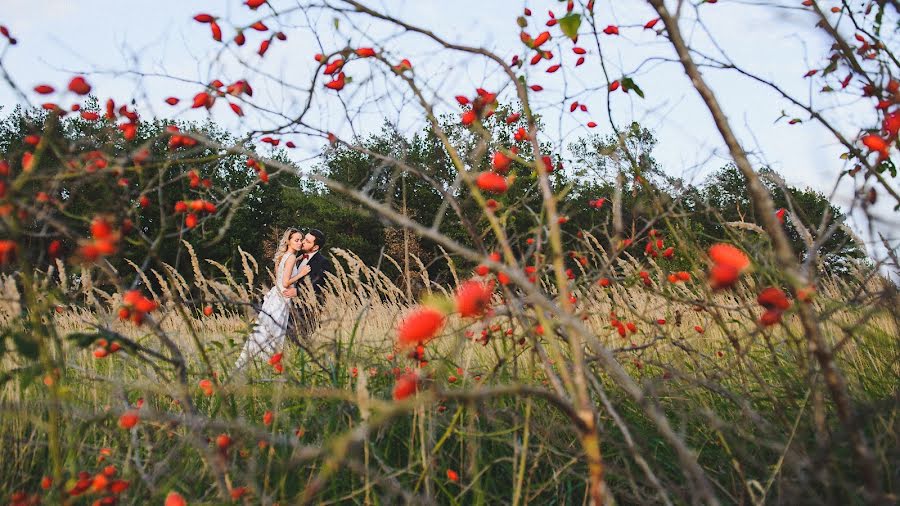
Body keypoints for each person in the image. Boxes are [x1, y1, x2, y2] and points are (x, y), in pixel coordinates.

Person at [233, 228, 310, 371]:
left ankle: (253, 361)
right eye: (296, 240)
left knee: (264, 329)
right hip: (282, 299)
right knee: (274, 331)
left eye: (301, 240)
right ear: (288, 241)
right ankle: (264, 361)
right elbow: (286, 282)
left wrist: (298, 259)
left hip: (275, 296)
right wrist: (302, 273)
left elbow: (279, 277)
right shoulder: (291, 258)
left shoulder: (283, 256)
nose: (300, 243)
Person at [283, 229, 331, 342]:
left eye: (308, 241)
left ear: (315, 247)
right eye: (304, 239)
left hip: (307, 309)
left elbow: (319, 284)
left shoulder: (322, 262)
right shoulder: (297, 257)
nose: (303, 242)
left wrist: (297, 291)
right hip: (290, 306)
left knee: (301, 342)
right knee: (286, 340)